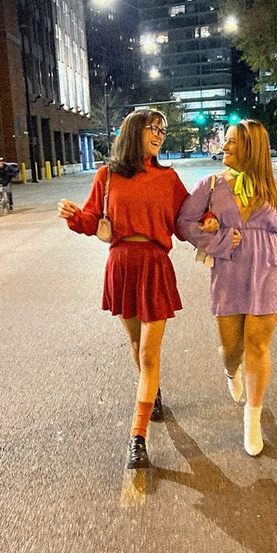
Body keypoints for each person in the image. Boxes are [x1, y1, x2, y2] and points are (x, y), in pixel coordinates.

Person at [57, 109, 188, 469]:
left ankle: (137, 437)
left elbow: (185, 219)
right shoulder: (107, 176)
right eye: (153, 128)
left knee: (148, 354)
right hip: (121, 265)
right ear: (133, 131)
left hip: (154, 264)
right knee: (135, 344)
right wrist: (73, 215)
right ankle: (152, 390)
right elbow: (91, 219)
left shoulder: (168, 178)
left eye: (163, 129)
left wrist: (208, 221)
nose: (159, 134)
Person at [177, 119, 277, 457]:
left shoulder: (276, 190)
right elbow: (184, 222)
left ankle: (253, 417)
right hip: (230, 268)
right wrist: (218, 240)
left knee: (258, 345)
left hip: (269, 268)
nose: (225, 146)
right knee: (232, 348)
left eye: (232, 141)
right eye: (226, 140)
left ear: (252, 148)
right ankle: (231, 370)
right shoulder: (211, 185)